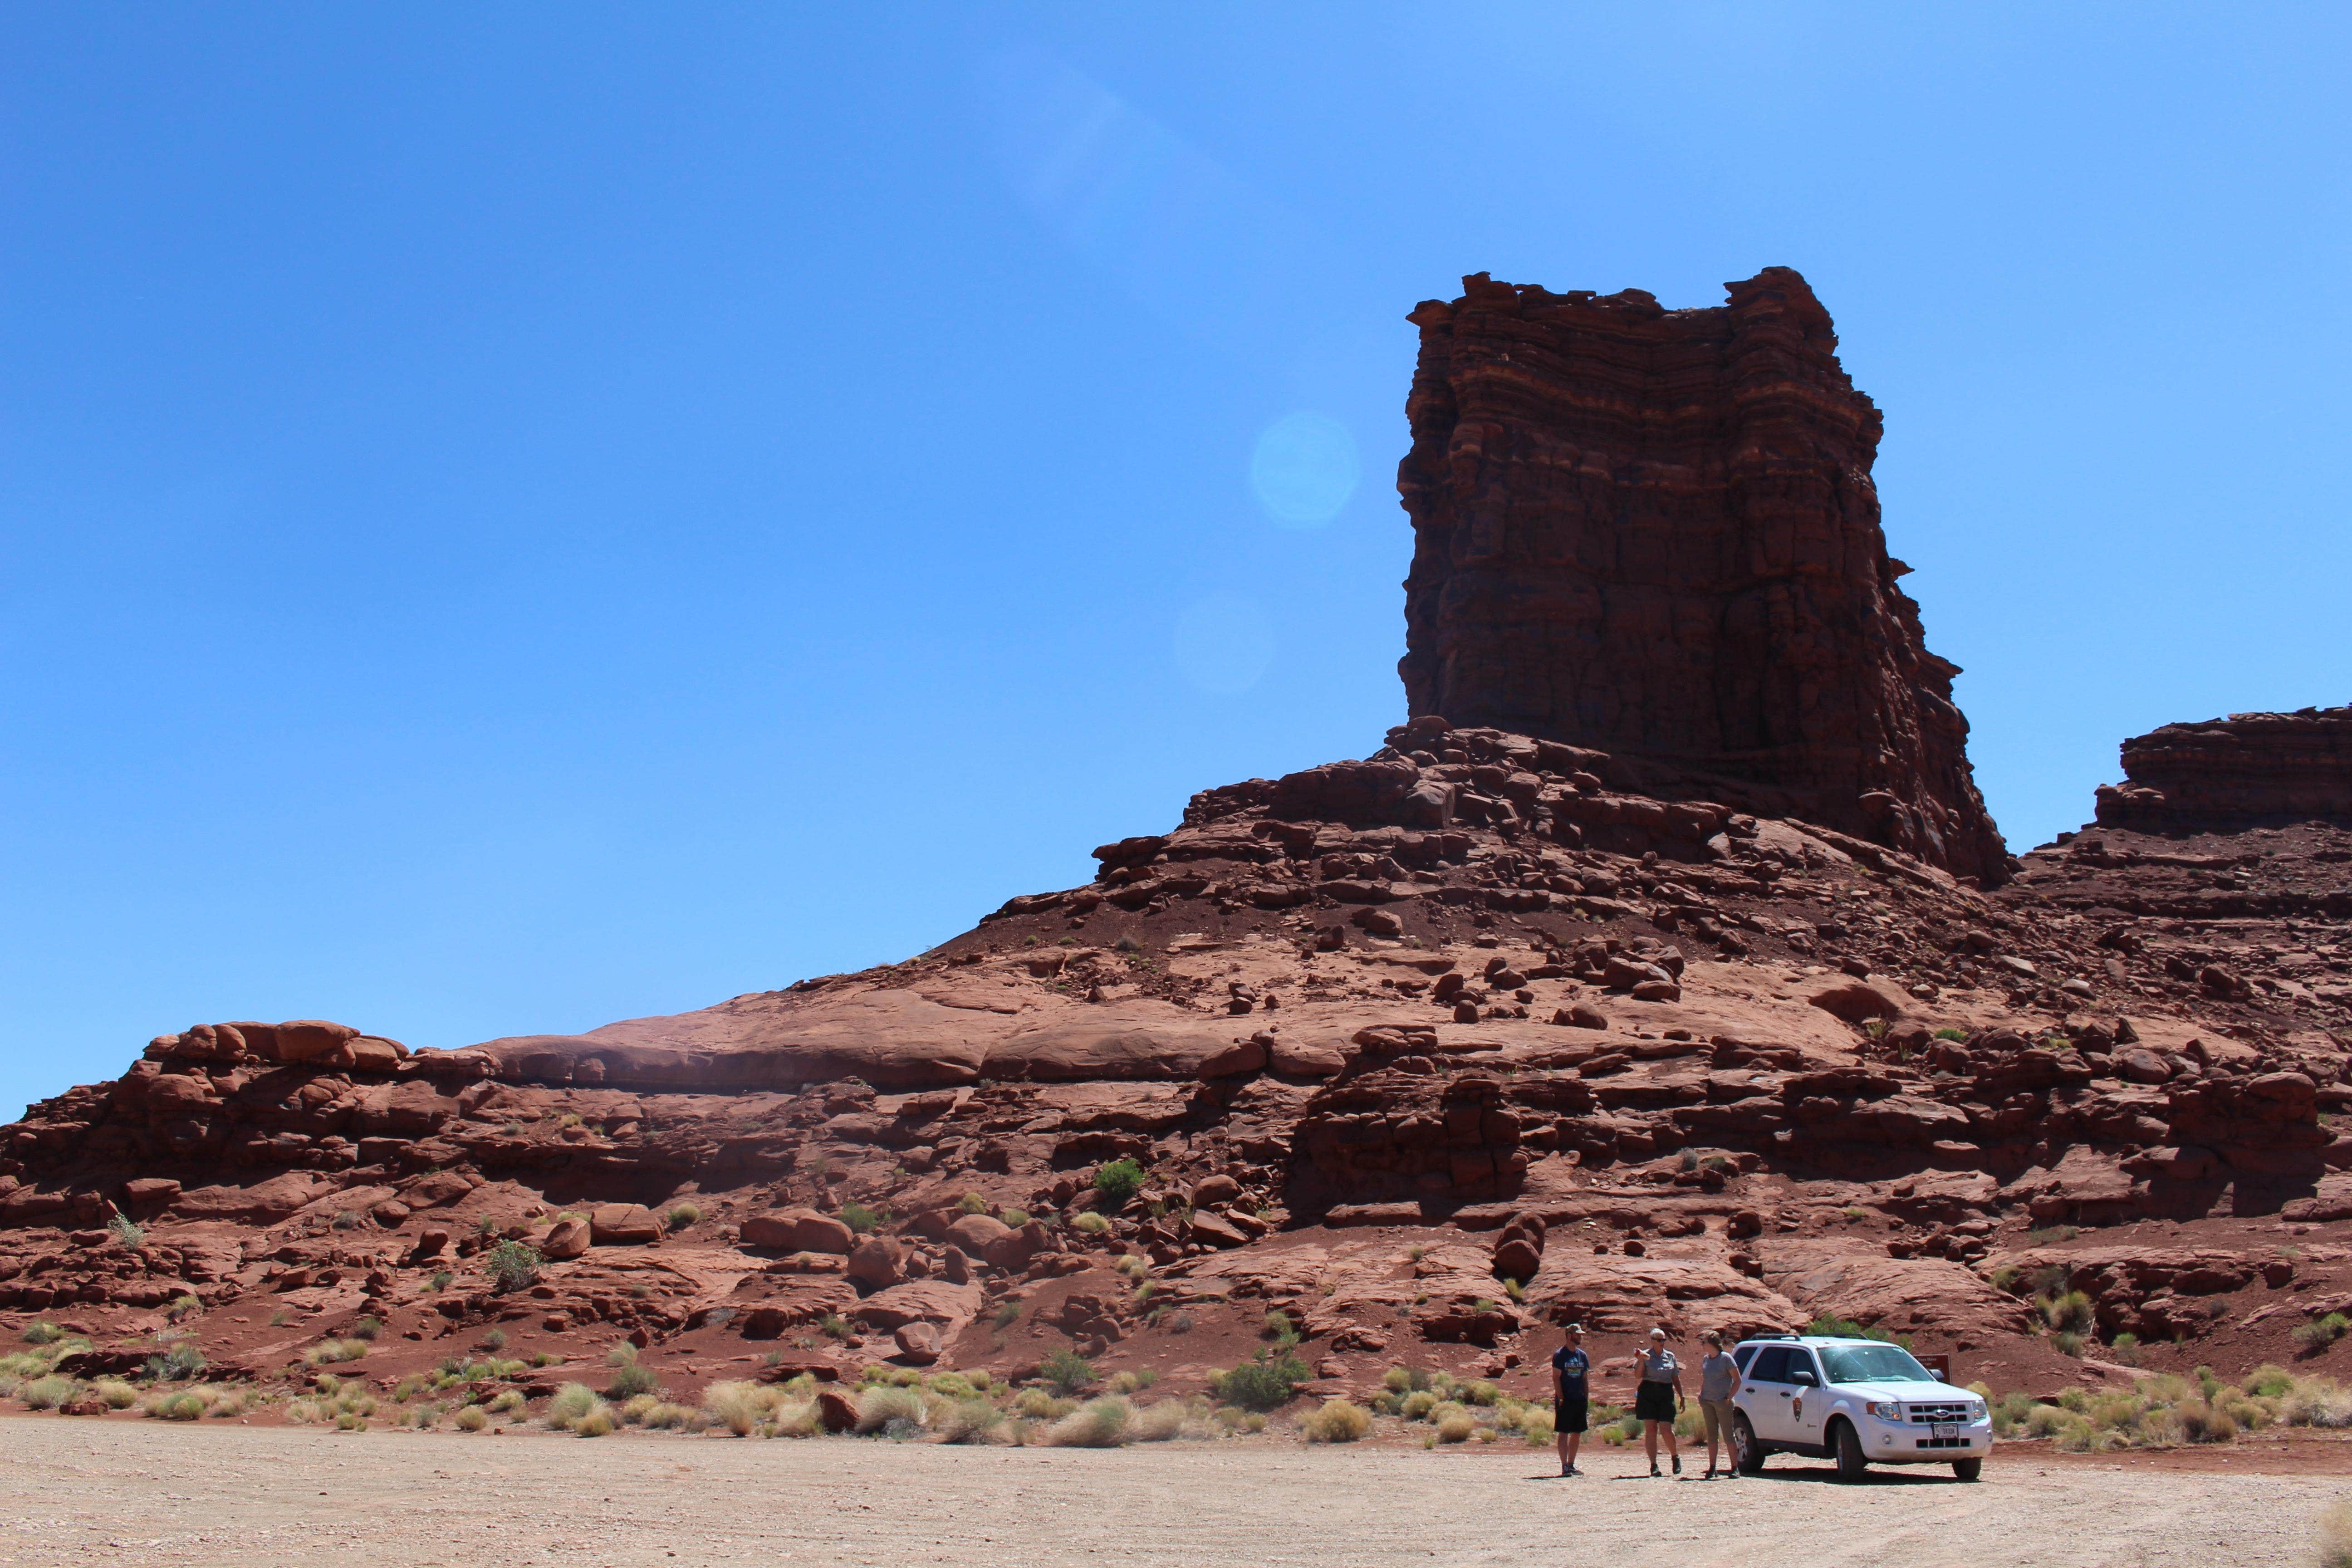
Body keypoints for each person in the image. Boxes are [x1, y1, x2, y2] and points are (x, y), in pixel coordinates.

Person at [1632, 1327, 1684, 1477]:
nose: (1662, 1343)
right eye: (1659, 1340)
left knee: (1666, 1429)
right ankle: (1654, 1465)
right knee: (1651, 1430)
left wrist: (1682, 1396)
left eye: (1664, 1340)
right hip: (1648, 1391)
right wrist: (1641, 1360)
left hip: (1666, 1392)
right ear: (1652, 1341)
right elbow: (1638, 1375)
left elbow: (1675, 1377)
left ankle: (1675, 1457)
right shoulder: (1646, 1355)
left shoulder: (1670, 1356)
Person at [1695, 1329, 1743, 1479]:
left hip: (1723, 1403)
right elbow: (1706, 1379)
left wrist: (1729, 1397)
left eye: (1704, 1342)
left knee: (1729, 1435)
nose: (1702, 1345)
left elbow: (1738, 1380)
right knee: (1712, 1436)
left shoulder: (1726, 1359)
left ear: (1712, 1344)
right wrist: (1701, 1395)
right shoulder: (1706, 1359)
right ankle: (1712, 1468)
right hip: (1707, 1401)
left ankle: (1735, 1468)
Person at [1550, 1322, 1590, 1476]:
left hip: (1579, 1399)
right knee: (1564, 1432)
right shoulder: (1560, 1355)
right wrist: (1561, 1397)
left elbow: (1585, 1379)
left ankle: (1571, 1464)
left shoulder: (1582, 1355)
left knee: (1577, 1432)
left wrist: (1586, 1398)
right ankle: (1564, 1467)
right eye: (1578, 1334)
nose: (1580, 1337)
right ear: (1569, 1336)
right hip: (1565, 1400)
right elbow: (1556, 1378)